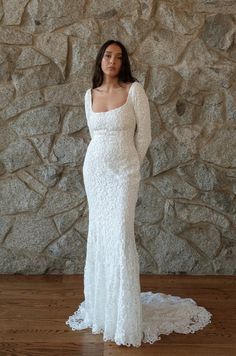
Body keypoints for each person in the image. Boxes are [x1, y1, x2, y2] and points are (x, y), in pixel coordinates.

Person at [65, 39, 212, 347]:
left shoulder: (135, 91)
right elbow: (95, 135)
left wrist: (130, 165)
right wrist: (105, 162)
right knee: (100, 235)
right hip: (94, 172)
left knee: (119, 235)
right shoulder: (88, 95)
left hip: (123, 174)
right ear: (100, 59)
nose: (112, 61)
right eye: (107, 55)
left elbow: (143, 136)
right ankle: (104, 311)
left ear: (124, 62)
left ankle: (125, 317)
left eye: (118, 57)